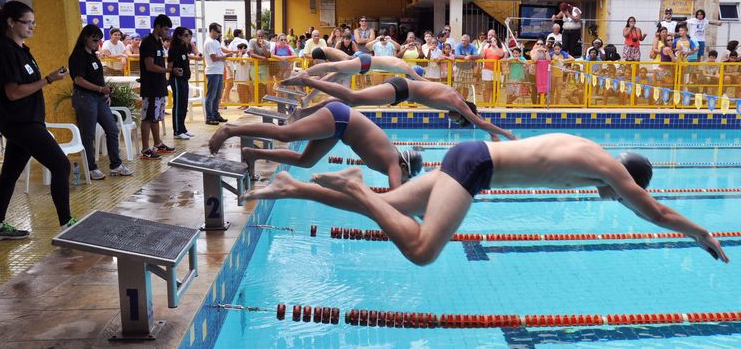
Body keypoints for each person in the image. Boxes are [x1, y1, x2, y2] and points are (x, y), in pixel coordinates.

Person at [247, 134, 729, 266]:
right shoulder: (609, 170)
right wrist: (700, 231)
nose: (611, 198)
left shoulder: (591, 151)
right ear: (629, 179)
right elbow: (655, 210)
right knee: (421, 251)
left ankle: (294, 185)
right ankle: (353, 182)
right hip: (474, 168)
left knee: (390, 207)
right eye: (621, 193)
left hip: (471, 157)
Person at [0, 1, 76, 239]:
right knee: (60, 165)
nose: (32, 27)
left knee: (9, 173)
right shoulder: (6, 50)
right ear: (10, 23)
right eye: (27, 22)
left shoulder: (21, 50)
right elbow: (13, 92)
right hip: (20, 122)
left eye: (33, 23)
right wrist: (48, 80)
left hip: (26, 120)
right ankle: (67, 225)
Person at [208, 101, 423, 189]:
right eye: (407, 177)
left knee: (306, 161)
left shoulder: (395, 161)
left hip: (340, 129)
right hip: (341, 120)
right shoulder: (395, 164)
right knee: (286, 134)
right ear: (404, 168)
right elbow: (398, 195)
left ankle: (252, 153)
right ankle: (230, 130)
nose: (404, 181)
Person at [287, 72, 515, 141]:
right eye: (457, 120)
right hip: (401, 90)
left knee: (349, 101)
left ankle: (302, 113)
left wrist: (491, 136)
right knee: (353, 98)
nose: (452, 120)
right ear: (461, 114)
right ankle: (306, 80)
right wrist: (506, 135)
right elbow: (478, 119)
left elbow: (476, 113)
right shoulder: (456, 103)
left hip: (402, 89)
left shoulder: (453, 94)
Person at [68, 24, 134, 180]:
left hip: (99, 98)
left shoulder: (92, 55)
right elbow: (78, 80)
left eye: (99, 39)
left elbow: (97, 77)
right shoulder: (77, 56)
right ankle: (91, 168)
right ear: (85, 37)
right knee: (88, 134)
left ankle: (116, 165)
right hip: (85, 98)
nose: (97, 42)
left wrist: (105, 92)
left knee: (112, 129)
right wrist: (99, 89)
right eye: (94, 38)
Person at [138, 14, 176, 159]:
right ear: (158, 26)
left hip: (159, 85)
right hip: (151, 86)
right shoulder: (148, 42)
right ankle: (145, 149)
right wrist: (168, 70)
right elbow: (149, 65)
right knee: (147, 117)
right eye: (165, 29)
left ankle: (158, 144)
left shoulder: (158, 42)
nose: (167, 33)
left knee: (156, 117)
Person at [286, 46, 427, 83]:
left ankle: (307, 98)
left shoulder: (401, 63)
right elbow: (421, 80)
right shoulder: (406, 68)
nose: (410, 79)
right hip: (365, 62)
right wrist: (442, 86)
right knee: (332, 68)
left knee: (332, 78)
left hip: (365, 65)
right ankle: (303, 73)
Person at [167, 27, 195, 139]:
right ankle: (177, 131)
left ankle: (182, 128)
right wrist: (172, 72)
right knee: (178, 105)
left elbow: (194, 50)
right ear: (179, 36)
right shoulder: (174, 48)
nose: (189, 38)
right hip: (177, 80)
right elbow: (169, 65)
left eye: (189, 35)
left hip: (184, 79)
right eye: (186, 35)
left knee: (183, 104)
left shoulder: (184, 47)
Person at [203, 22, 232, 125]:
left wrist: (226, 55)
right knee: (211, 96)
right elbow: (214, 58)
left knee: (217, 96)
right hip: (213, 71)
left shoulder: (215, 41)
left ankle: (215, 114)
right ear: (212, 31)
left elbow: (218, 53)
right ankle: (209, 117)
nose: (219, 34)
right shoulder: (210, 42)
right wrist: (225, 56)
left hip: (218, 71)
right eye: (218, 32)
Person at [454, 34, 479, 100]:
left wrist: (470, 56)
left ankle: (464, 101)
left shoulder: (472, 46)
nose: (463, 42)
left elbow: (477, 55)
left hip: (469, 69)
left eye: (465, 41)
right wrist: (465, 57)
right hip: (459, 68)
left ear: (468, 41)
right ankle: (457, 100)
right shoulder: (458, 46)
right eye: (462, 40)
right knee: (457, 85)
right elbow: (456, 55)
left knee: (466, 86)